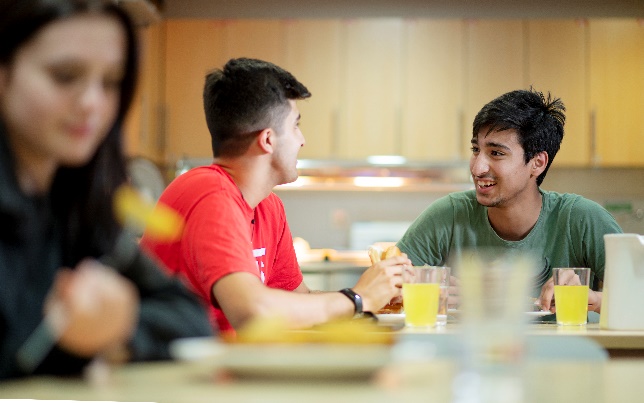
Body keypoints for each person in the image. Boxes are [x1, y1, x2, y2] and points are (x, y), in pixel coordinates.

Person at [0, 0, 212, 380]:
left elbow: (191, 319)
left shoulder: (81, 203)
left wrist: (120, 329)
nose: (92, 103)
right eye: (65, 75)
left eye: (111, 82)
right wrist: (73, 341)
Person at [140, 58, 407, 335]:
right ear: (268, 140)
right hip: (174, 372)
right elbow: (253, 313)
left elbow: (298, 303)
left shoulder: (268, 206)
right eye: (295, 126)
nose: (302, 140)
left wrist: (375, 296)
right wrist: (357, 298)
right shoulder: (211, 195)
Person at [396, 88, 622, 315]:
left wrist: (595, 299)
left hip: (564, 351)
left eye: (496, 153)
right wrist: (421, 294)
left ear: (537, 163)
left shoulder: (582, 219)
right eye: (476, 150)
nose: (477, 168)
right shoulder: (448, 215)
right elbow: (383, 288)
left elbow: (636, 295)